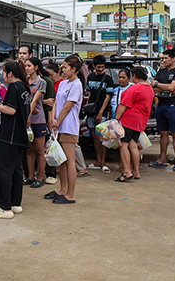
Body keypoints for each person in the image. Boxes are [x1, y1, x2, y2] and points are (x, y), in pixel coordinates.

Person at [0, 61, 31, 218]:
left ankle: (3, 207)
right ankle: (15, 203)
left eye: (4, 72)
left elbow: (11, 110)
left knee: (3, 171)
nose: (2, 76)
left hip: (9, 136)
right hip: (19, 135)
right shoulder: (24, 87)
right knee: (16, 170)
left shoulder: (14, 87)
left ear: (10, 74)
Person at [49, 55, 84, 204]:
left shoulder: (76, 84)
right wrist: (52, 119)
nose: (62, 69)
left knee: (70, 161)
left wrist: (57, 122)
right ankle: (62, 189)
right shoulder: (63, 83)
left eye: (65, 67)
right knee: (60, 161)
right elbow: (57, 102)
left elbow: (68, 107)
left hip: (68, 127)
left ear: (74, 69)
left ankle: (71, 194)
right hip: (58, 125)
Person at [150, 49, 175, 171]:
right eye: (163, 58)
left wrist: (159, 85)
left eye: (166, 58)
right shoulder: (162, 71)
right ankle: (162, 159)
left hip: (174, 106)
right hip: (161, 105)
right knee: (163, 133)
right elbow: (153, 84)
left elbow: (172, 87)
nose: (163, 60)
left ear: (173, 59)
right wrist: (165, 87)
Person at [114, 66, 153, 181]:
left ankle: (127, 172)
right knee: (133, 145)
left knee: (124, 145)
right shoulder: (149, 88)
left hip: (128, 120)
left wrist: (116, 119)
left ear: (134, 76)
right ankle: (136, 172)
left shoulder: (134, 88)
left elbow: (123, 105)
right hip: (140, 121)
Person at [85, 55, 114, 174]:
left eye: (102, 67)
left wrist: (101, 112)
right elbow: (89, 94)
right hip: (91, 111)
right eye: (99, 67)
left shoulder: (108, 79)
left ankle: (103, 162)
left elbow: (108, 97)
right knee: (94, 136)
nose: (101, 69)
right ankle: (98, 160)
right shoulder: (90, 77)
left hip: (102, 112)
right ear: (94, 66)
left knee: (103, 137)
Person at [24, 57, 48, 187]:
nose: (27, 68)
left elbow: (34, 100)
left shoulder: (42, 82)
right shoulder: (24, 82)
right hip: (27, 120)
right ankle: (30, 176)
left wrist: (28, 115)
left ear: (36, 67)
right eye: (26, 66)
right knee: (29, 150)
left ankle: (40, 177)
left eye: (29, 65)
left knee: (40, 150)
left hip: (38, 120)